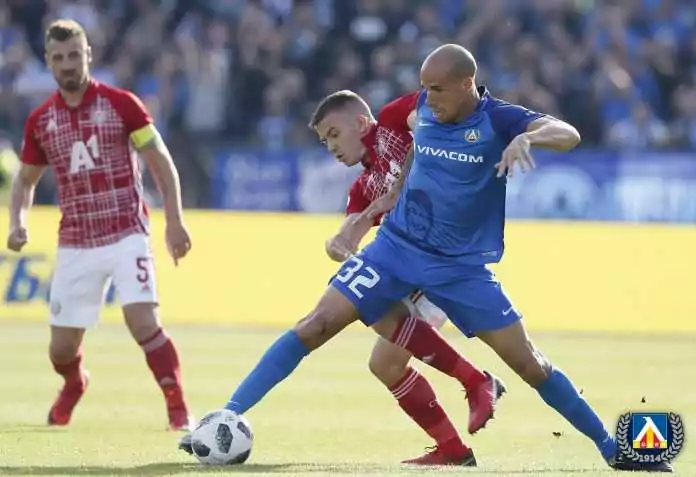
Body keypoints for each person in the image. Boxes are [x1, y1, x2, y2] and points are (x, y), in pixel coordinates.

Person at [6, 19, 194, 431]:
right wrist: (17, 222)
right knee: (60, 349)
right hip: (75, 243)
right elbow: (24, 181)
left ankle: (178, 409)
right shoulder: (40, 120)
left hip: (127, 231)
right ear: (48, 63)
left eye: (75, 55)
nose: (68, 64)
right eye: (59, 58)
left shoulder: (122, 104)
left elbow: (160, 162)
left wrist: (174, 222)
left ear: (88, 55)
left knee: (143, 321)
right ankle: (74, 382)